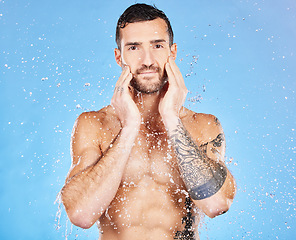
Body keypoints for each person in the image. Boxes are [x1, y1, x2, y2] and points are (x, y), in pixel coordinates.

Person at [60, 3, 236, 240]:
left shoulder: (202, 125)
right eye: (134, 47)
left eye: (157, 45)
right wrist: (130, 126)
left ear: (172, 52)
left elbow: (216, 204)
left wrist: (172, 119)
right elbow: (81, 214)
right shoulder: (94, 124)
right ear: (118, 56)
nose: (147, 60)